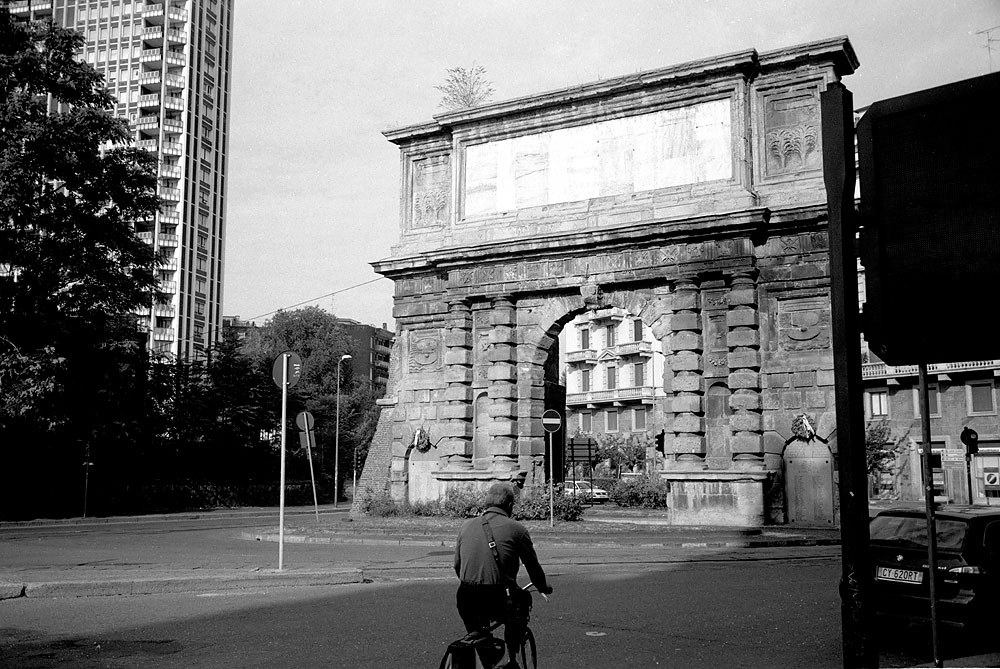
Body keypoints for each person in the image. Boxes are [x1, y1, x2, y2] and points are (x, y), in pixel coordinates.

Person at [453, 482, 553, 669]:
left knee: (478, 633)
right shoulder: (517, 529)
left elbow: (457, 567)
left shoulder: (466, 526)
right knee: (521, 601)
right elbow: (533, 568)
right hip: (497, 598)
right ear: (509, 506)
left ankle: (484, 653)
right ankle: (513, 657)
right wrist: (543, 587)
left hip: (465, 597)